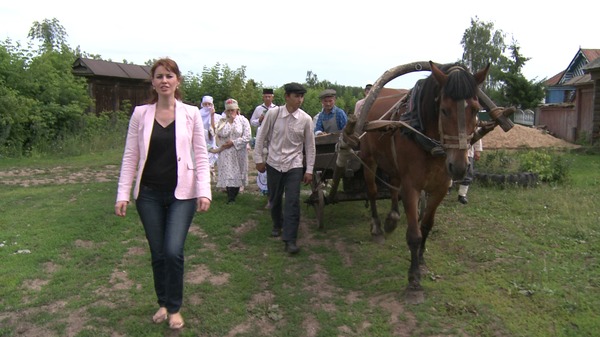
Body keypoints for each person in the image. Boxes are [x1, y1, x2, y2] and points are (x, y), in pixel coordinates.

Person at [115, 58, 211, 330]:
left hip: (183, 195)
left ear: (177, 81)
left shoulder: (191, 113)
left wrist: (204, 191)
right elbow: (130, 155)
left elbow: (201, 156)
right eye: (159, 76)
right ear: (153, 82)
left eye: (169, 76)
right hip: (149, 196)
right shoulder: (140, 114)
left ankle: (176, 307)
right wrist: (122, 194)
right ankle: (164, 303)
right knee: (157, 253)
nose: (164, 81)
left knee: (172, 251)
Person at [253, 82, 316, 254]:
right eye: (296, 96)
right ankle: (277, 223)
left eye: (302, 96)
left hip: (294, 164)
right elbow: (261, 137)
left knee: (292, 201)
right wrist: (258, 159)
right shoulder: (273, 114)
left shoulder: (306, 119)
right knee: (274, 199)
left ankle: (290, 239)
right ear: (287, 97)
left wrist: (309, 169)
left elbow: (310, 146)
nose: (300, 100)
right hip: (273, 163)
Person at [211, 98, 252, 203]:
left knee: (238, 173)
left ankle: (234, 194)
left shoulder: (243, 120)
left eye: (232, 110)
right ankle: (230, 197)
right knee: (228, 173)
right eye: (228, 111)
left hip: (238, 151)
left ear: (237, 110)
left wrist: (234, 142)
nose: (230, 113)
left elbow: (247, 136)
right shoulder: (222, 122)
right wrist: (229, 122)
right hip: (226, 151)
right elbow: (219, 134)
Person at [250, 89, 277, 201]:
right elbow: (252, 122)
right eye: (265, 96)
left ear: (272, 97)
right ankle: (263, 188)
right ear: (263, 97)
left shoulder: (276, 109)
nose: (267, 98)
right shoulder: (258, 109)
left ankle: (273, 189)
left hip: (273, 137)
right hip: (261, 136)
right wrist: (259, 120)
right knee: (262, 160)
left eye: (269, 96)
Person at [199, 95, 222, 179]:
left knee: (211, 154)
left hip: (211, 138)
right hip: (200, 137)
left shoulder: (216, 116)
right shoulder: (198, 114)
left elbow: (214, 129)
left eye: (209, 104)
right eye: (205, 104)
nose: (207, 106)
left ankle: (211, 169)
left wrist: (212, 116)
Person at [457, 139, 483, 204]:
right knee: (448, 169)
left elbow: (477, 134)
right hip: (451, 149)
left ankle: (462, 195)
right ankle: (447, 189)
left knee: (468, 172)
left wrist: (477, 150)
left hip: (467, 151)